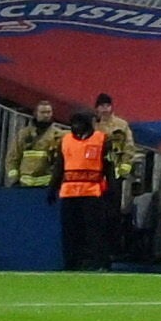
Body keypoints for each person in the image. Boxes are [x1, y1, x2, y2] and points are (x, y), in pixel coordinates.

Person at [55, 91, 120, 274]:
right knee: (70, 232)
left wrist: (112, 190)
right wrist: (53, 188)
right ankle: (71, 264)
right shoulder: (66, 141)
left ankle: (100, 263)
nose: (76, 126)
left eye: (80, 122)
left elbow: (108, 167)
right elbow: (60, 166)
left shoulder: (101, 140)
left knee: (95, 231)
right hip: (69, 193)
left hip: (93, 193)